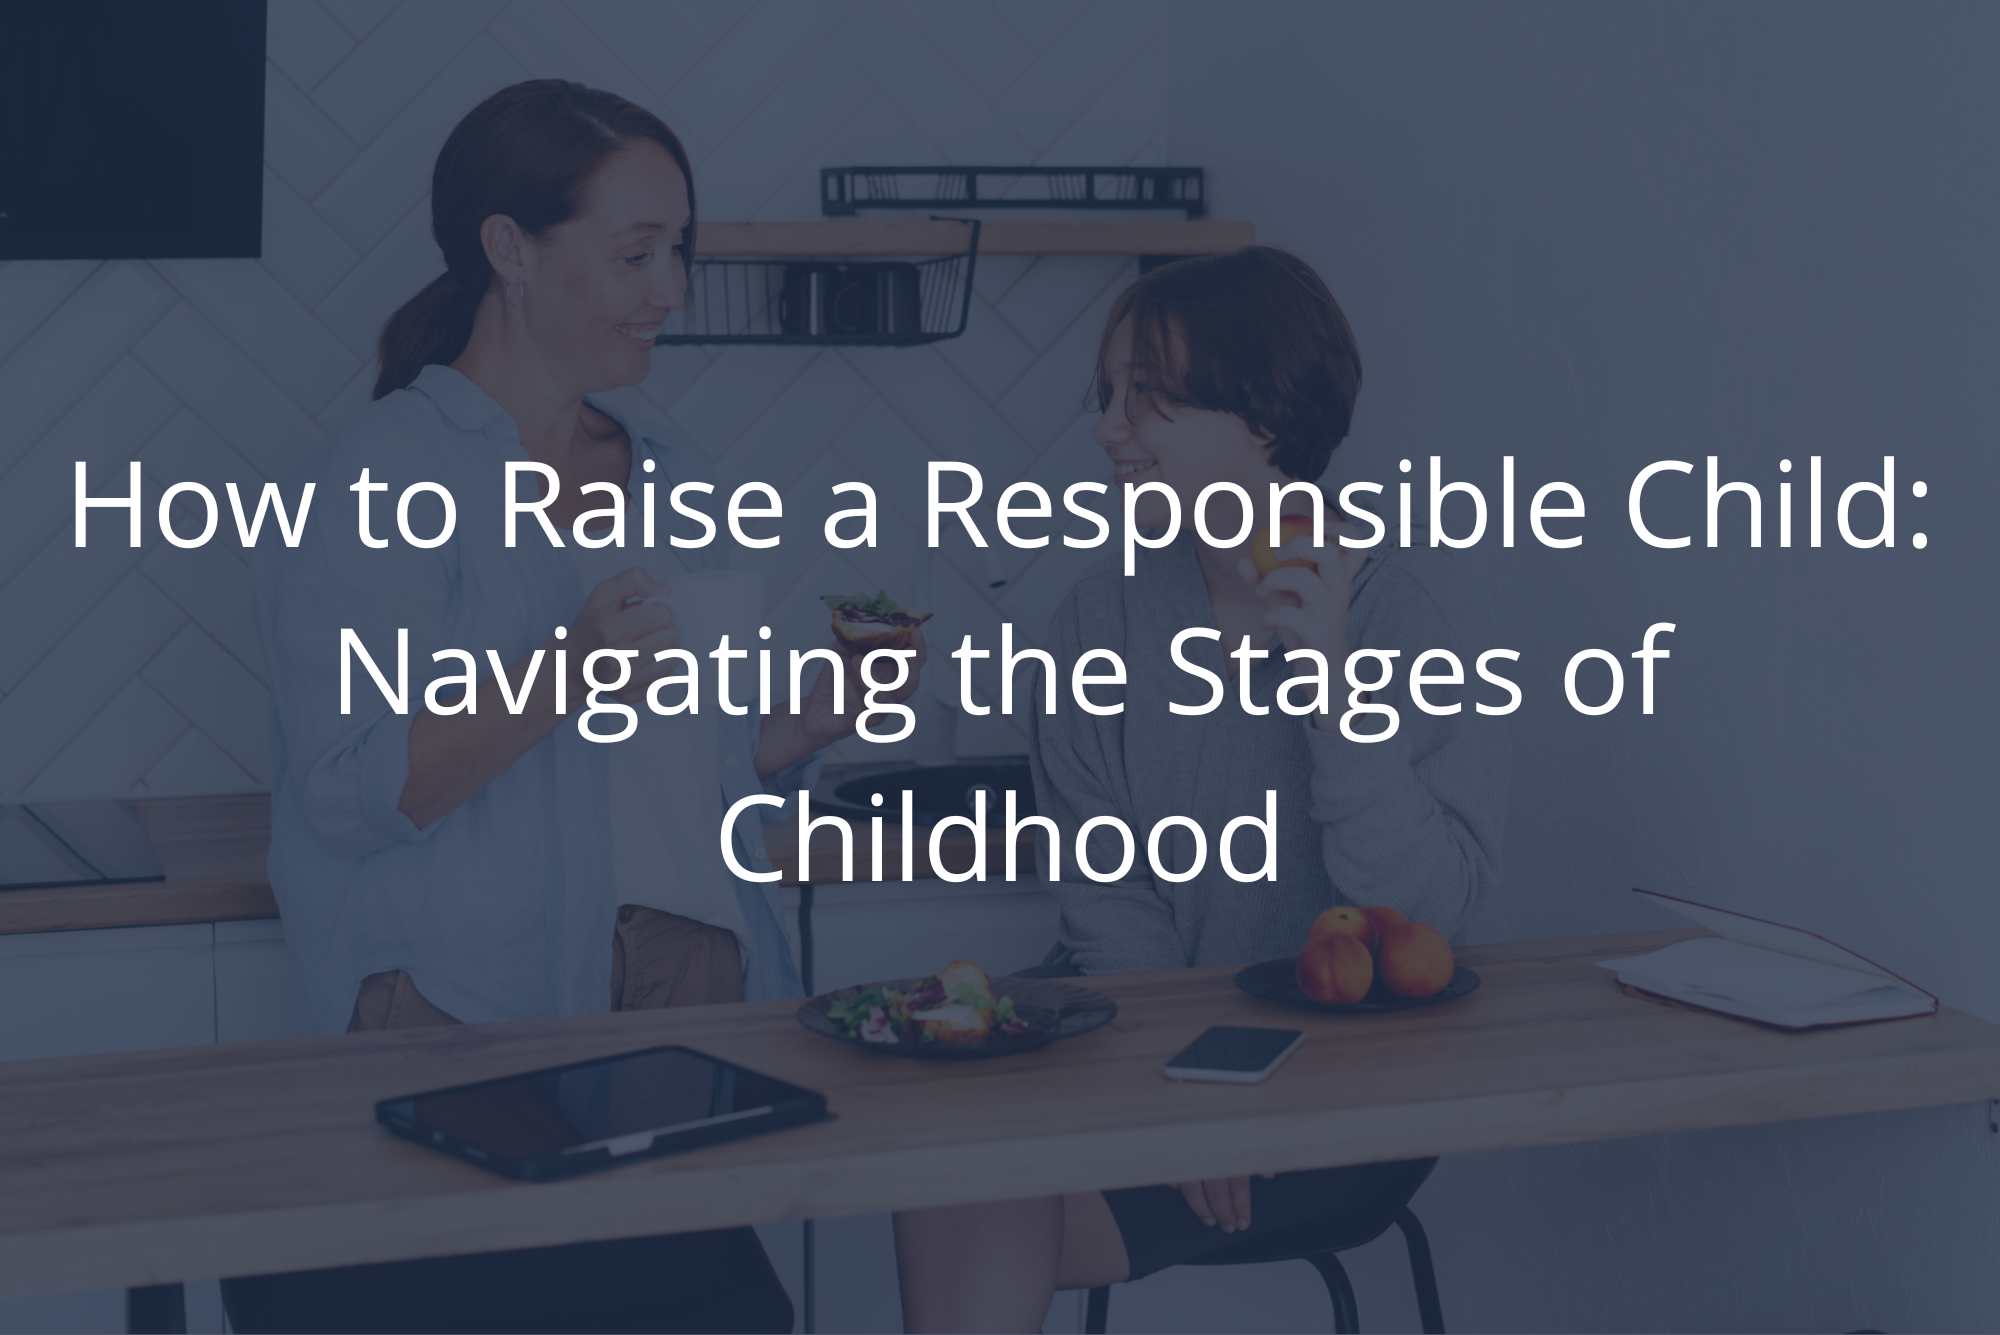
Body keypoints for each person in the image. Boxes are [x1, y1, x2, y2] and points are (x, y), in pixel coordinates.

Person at [237, 79, 921, 1335]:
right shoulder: (379, 476)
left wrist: (808, 725)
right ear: (509, 248)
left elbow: (677, 768)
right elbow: (351, 789)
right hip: (466, 992)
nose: (669, 289)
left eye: (681, 252)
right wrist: (563, 671)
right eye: (634, 254)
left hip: (687, 979)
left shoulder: (677, 474)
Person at [890, 247, 1507, 1333]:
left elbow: (1427, 924)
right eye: (1109, 395)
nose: (1106, 428)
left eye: (1149, 398)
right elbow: (1106, 902)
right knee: (937, 1131)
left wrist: (1331, 695)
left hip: (1343, 1093)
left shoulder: (1403, 613)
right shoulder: (1098, 618)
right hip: (1136, 1055)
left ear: (1264, 421)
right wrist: (1178, 1099)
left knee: (970, 1180)